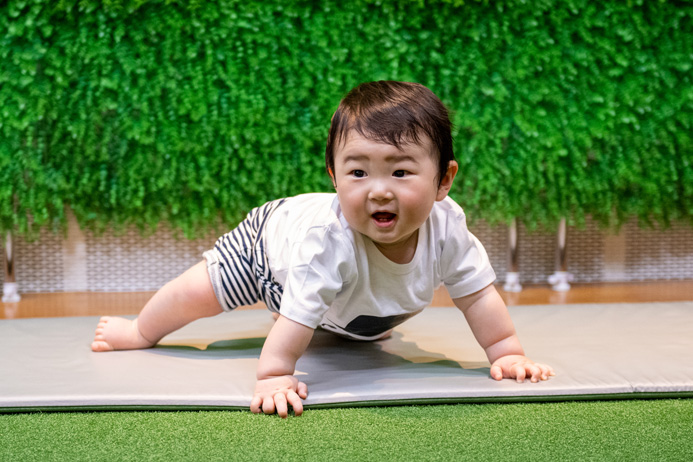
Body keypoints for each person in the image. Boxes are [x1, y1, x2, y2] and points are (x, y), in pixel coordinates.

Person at [91, 80, 554, 418]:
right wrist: (274, 375)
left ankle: (322, 312)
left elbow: (477, 296)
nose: (378, 191)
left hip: (346, 303)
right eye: (357, 173)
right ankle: (140, 330)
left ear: (444, 181)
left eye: (400, 173)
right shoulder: (327, 242)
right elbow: (296, 322)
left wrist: (505, 351)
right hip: (268, 252)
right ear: (334, 178)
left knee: (354, 322)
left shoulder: (448, 229)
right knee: (200, 291)